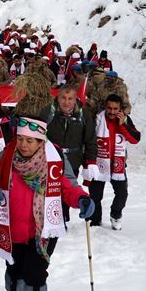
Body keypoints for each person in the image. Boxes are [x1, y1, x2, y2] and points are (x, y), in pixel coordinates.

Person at [0, 116, 94, 291]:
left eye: (30, 141)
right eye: (21, 139)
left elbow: (68, 186)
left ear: (41, 141)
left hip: (43, 231)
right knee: (15, 269)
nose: (23, 145)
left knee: (35, 273)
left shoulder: (55, 159)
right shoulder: (7, 155)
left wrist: (81, 199)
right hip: (12, 227)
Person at [42, 84, 98, 223]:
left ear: (75, 99)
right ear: (58, 97)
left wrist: (90, 162)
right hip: (51, 159)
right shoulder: (47, 112)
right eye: (63, 98)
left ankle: (63, 216)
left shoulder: (83, 114)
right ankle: (50, 215)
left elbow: (90, 139)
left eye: (70, 99)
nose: (66, 102)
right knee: (51, 188)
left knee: (68, 187)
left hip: (73, 159)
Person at [88, 94, 141, 230]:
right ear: (105, 106)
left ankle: (116, 215)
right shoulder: (97, 119)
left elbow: (135, 139)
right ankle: (95, 221)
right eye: (109, 108)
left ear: (120, 109)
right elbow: (88, 139)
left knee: (122, 194)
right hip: (99, 162)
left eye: (115, 109)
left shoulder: (126, 119)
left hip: (117, 164)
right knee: (95, 195)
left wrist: (123, 125)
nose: (112, 112)